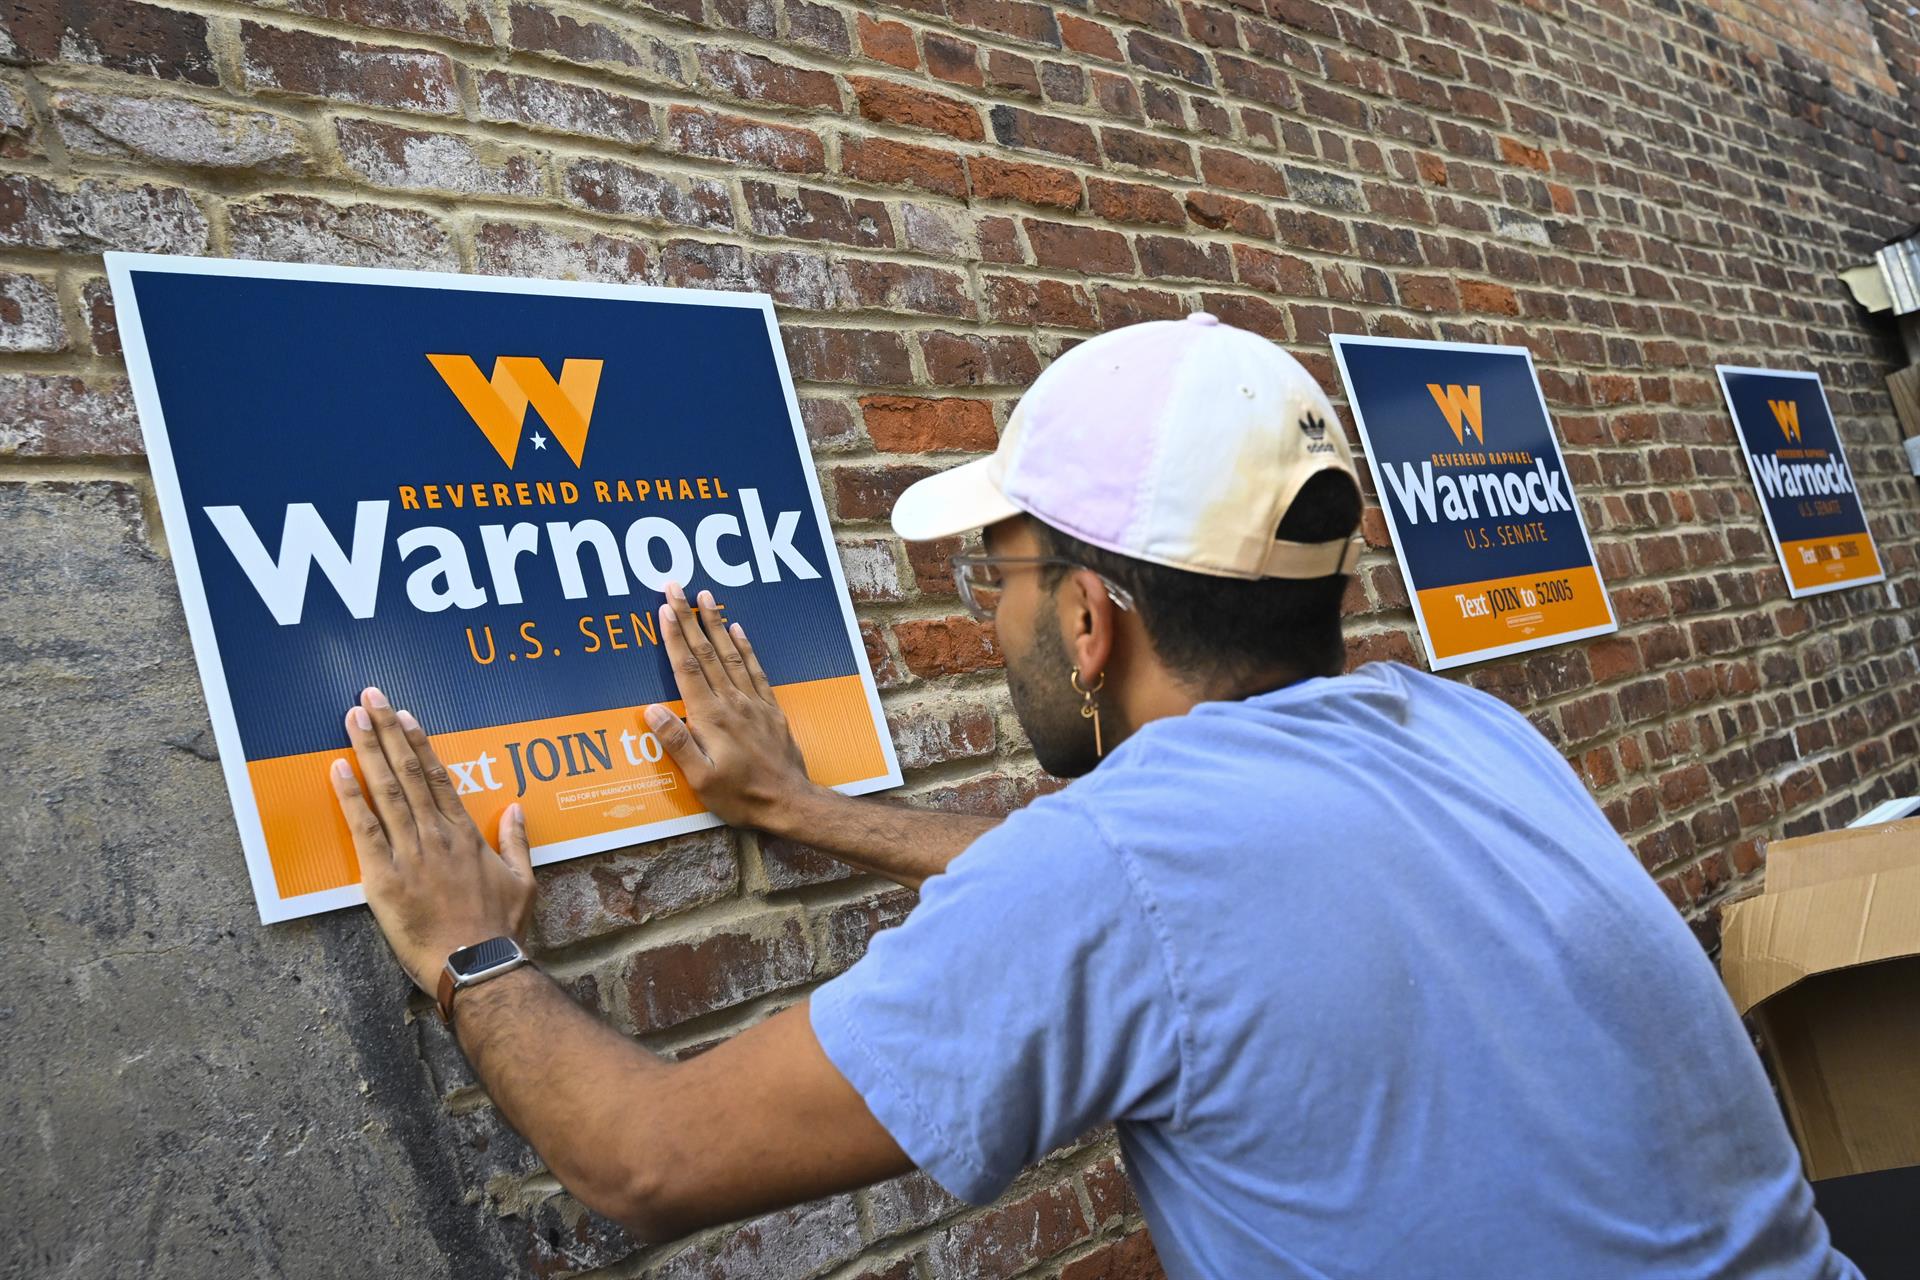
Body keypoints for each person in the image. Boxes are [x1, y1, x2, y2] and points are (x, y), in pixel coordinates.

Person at [330, 314, 1857, 1278]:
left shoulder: (1126, 868)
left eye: (1000, 572)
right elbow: (1182, 911)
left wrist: (472, 951)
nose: (992, 616)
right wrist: (807, 812)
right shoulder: (1463, 731)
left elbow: (644, 1163)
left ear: (1087, 621)